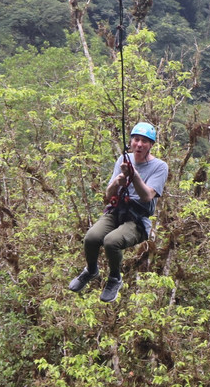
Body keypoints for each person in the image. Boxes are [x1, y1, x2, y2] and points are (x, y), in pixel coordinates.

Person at [68, 122, 169, 302]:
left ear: (151, 145)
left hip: (138, 220)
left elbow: (147, 197)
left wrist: (134, 175)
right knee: (91, 238)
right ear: (130, 141)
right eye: (136, 139)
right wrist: (117, 182)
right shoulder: (122, 160)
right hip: (117, 211)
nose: (139, 144)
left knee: (111, 241)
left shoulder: (160, 167)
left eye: (145, 141)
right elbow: (108, 194)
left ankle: (115, 278)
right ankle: (91, 270)